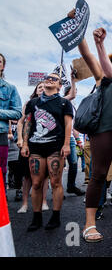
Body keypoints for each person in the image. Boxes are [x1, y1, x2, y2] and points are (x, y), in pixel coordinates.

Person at [75, 24, 112, 242]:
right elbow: (86, 53)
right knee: (99, 174)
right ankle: (89, 224)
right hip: (103, 130)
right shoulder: (103, 76)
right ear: (111, 63)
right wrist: (81, 31)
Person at [21, 72, 73, 231]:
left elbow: (67, 125)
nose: (50, 80)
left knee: (55, 182)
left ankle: (55, 216)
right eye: (47, 78)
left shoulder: (64, 103)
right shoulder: (33, 102)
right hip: (35, 147)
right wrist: (24, 143)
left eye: (54, 79)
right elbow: (28, 123)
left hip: (55, 147)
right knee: (36, 183)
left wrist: (66, 145)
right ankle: (36, 218)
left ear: (59, 85)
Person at [15, 82, 50, 213]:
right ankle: (24, 204)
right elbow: (20, 122)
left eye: (44, 87)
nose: (42, 89)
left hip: (46, 143)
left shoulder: (51, 104)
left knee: (45, 175)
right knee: (27, 175)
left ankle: (44, 201)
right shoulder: (29, 103)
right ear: (36, 90)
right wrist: (20, 138)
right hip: (29, 142)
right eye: (39, 87)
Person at [0, 53, 22, 190]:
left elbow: (18, 112)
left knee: (1, 169)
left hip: (1, 134)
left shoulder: (10, 88)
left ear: (3, 66)